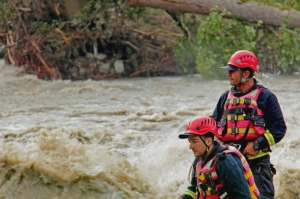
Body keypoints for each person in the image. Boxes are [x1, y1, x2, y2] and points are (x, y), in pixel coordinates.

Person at [211, 50, 287, 199]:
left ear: (246, 74)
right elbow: (214, 123)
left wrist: (256, 144)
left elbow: (279, 128)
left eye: (232, 71)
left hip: (256, 165)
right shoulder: (225, 97)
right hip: (230, 163)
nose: (228, 75)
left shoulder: (266, 97)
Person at [177, 116, 259, 199]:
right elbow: (194, 189)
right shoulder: (199, 159)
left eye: (194, 141)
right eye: (190, 141)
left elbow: (243, 196)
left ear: (208, 141)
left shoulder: (225, 161)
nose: (190, 146)